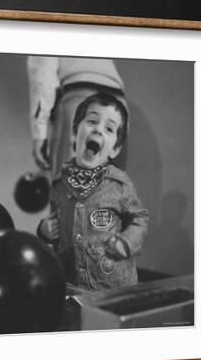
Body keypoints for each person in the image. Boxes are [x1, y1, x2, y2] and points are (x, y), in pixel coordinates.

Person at [38, 93, 149, 291]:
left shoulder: (119, 184)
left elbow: (140, 217)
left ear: (114, 149)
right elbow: (55, 222)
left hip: (113, 286)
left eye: (109, 128)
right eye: (92, 121)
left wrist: (126, 242)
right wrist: (45, 230)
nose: (98, 130)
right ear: (74, 133)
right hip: (70, 283)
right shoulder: (58, 183)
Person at [27, 56, 127, 179]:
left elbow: (43, 78)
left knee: (67, 190)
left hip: (79, 91)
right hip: (118, 101)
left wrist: (39, 133)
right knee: (110, 191)